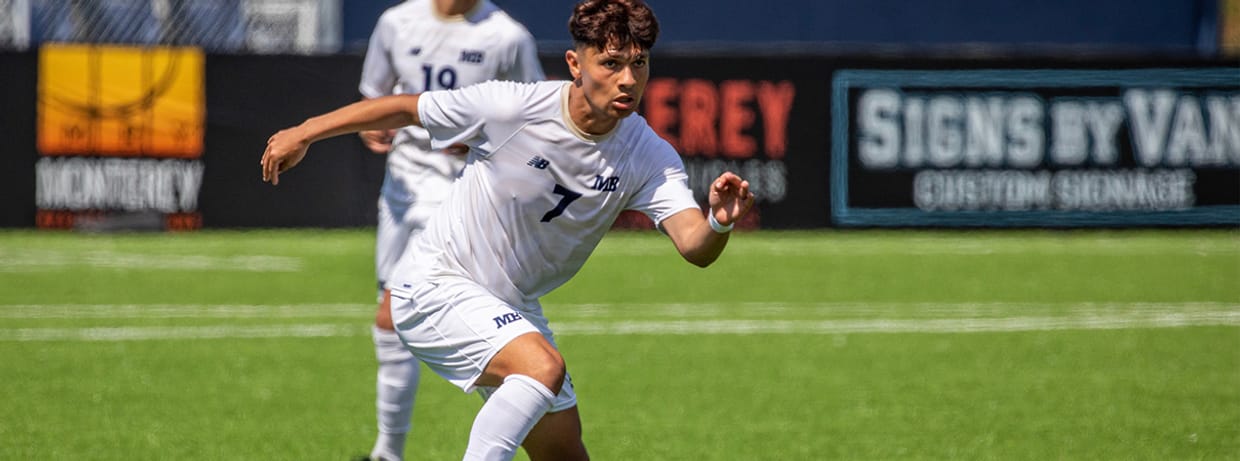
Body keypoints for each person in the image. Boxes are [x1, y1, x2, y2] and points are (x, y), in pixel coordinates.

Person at [260, 0, 754, 459]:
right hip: (436, 283)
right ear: (575, 65)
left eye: (639, 63)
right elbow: (407, 107)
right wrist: (304, 132)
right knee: (542, 368)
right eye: (611, 63)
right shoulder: (512, 108)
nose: (628, 79)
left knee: (563, 452)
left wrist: (718, 222)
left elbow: (694, 245)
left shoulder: (648, 153)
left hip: (510, 305)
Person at [355, 1, 544, 460]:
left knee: (396, 309)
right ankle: (388, 451)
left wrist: (487, 137)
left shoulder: (506, 36)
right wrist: (371, 129)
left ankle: (390, 453)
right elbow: (376, 95)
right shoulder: (396, 23)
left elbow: (538, 116)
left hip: (464, 190)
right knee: (390, 314)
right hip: (401, 189)